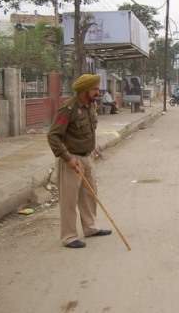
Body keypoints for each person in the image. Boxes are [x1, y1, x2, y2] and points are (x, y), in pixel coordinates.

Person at [47, 74, 112, 248]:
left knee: (89, 195)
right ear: (84, 90)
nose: (98, 92)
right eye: (95, 89)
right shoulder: (68, 109)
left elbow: (89, 130)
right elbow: (53, 136)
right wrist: (67, 158)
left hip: (87, 156)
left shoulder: (91, 106)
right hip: (71, 159)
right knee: (69, 200)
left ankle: (90, 228)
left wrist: (94, 147)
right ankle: (69, 236)